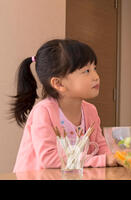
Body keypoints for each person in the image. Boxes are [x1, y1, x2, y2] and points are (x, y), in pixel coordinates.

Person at [11, 39, 117, 172]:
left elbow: (101, 146)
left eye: (94, 68)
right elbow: (50, 159)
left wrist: (113, 158)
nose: (96, 77)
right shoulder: (44, 112)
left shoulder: (90, 110)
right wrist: (101, 160)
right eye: (86, 71)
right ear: (59, 84)